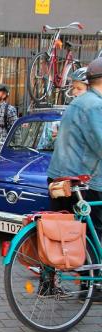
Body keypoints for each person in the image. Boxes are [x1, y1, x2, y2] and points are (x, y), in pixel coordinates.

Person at [47, 57, 102, 236]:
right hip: (85, 182)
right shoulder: (95, 105)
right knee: (90, 237)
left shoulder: (78, 102)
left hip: (61, 178)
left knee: (64, 237)